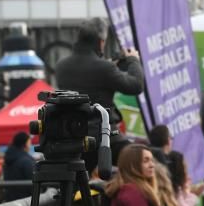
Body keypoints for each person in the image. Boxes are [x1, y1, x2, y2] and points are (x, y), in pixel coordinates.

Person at [55, 17, 142, 168]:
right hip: (103, 137)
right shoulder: (105, 69)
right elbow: (135, 86)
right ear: (101, 42)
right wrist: (133, 60)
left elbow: (87, 76)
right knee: (141, 159)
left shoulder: (61, 66)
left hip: (73, 138)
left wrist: (108, 66)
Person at [2, 131, 36, 202]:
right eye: (30, 142)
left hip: (10, 200)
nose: (30, 145)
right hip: (26, 201)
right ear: (25, 144)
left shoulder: (8, 157)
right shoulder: (26, 161)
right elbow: (34, 182)